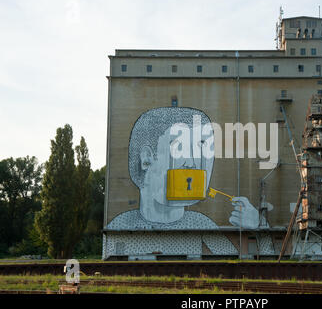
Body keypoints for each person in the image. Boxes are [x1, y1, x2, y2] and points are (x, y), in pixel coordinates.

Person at [105, 107, 272, 256]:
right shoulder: (121, 225)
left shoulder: (200, 223)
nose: (192, 163)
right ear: (146, 158)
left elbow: (249, 263)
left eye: (202, 148)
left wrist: (258, 224)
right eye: (180, 148)